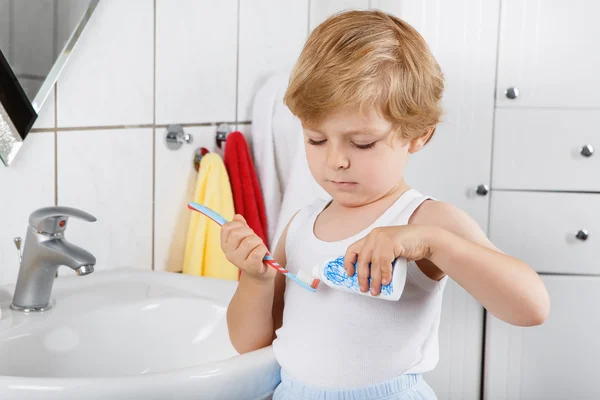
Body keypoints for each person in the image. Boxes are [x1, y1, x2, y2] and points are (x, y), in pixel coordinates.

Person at [222, 9, 550, 400]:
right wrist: (256, 282)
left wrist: (432, 243)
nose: (335, 160)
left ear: (416, 135)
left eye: (362, 143)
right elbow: (250, 344)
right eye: (315, 140)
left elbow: (531, 307)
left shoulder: (424, 219)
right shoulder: (301, 224)